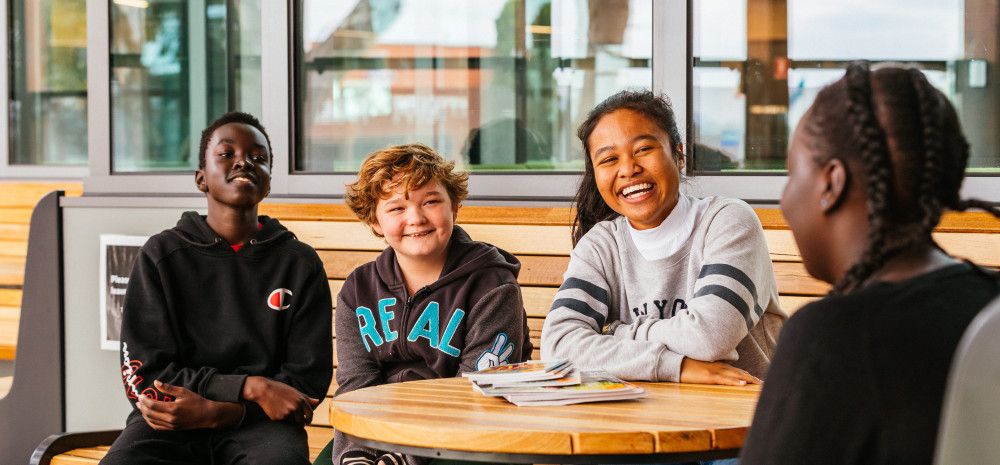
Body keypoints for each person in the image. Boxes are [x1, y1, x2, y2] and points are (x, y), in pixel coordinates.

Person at [740, 63, 1000, 465]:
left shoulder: (833, 337)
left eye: (793, 175)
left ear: (831, 183)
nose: (786, 201)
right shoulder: (990, 300)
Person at [100, 112, 333, 465]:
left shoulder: (299, 264)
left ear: (268, 184)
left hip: (261, 427)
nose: (244, 161)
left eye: (259, 157)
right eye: (227, 154)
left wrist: (220, 412)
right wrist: (252, 387)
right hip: (170, 424)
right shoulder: (162, 255)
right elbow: (145, 376)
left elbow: (305, 384)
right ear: (201, 179)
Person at [541, 90, 786, 387]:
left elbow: (710, 338)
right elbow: (559, 345)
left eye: (643, 149)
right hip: (642, 415)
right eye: (608, 159)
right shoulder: (601, 245)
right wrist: (676, 366)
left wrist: (614, 333)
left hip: (746, 417)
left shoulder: (728, 221)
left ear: (678, 155)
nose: (628, 169)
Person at [332, 143, 533, 465]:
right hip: (379, 434)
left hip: (477, 436)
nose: (416, 218)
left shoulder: (492, 285)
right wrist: (357, 455)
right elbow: (357, 385)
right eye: (396, 209)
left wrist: (404, 458)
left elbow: (476, 389)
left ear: (454, 207)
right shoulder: (358, 291)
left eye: (431, 201)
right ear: (374, 222)